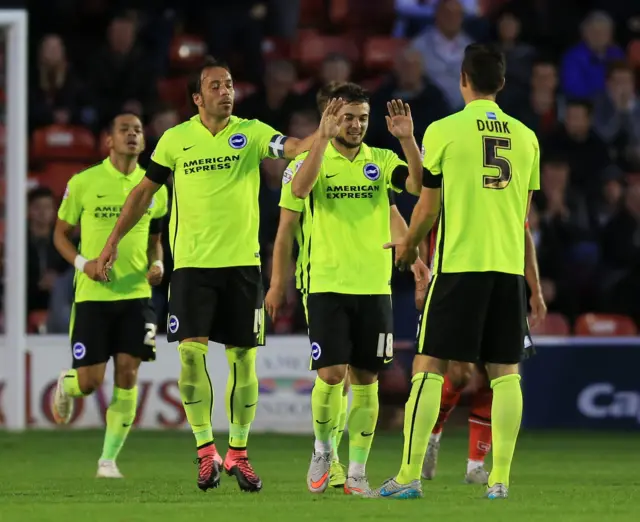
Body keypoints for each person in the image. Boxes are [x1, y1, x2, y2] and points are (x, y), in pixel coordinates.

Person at [95, 56, 317, 493]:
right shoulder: (176, 141)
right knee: (191, 355)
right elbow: (144, 192)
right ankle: (204, 452)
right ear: (198, 97)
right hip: (193, 267)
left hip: (242, 266)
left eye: (230, 84)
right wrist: (112, 241)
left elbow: (290, 147)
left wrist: (320, 135)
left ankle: (238, 452)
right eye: (216, 85)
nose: (225, 91)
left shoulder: (251, 132)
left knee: (243, 358)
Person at [372, 43, 540, 500]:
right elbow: (524, 218)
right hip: (506, 271)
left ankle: (407, 477)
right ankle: (499, 479)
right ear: (501, 83)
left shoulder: (444, 130)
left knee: (428, 366)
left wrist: (407, 248)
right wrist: (534, 284)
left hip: (458, 267)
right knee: (506, 373)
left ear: (463, 79)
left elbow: (428, 206)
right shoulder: (527, 138)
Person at [265, 83, 429, 491]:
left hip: (374, 284)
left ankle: (357, 470)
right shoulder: (307, 161)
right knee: (332, 373)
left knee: (367, 379)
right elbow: (299, 194)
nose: (355, 125)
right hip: (325, 282)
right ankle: (324, 450)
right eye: (347, 117)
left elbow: (415, 185)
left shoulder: (380, 159)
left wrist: (408, 140)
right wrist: (277, 283)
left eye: (362, 118)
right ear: (329, 118)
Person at [50, 113, 169, 478]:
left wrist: (159, 265)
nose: (133, 135)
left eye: (138, 131)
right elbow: (60, 234)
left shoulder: (156, 189)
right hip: (93, 296)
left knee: (129, 373)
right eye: (124, 130)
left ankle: (108, 460)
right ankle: (66, 385)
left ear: (144, 143)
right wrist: (83, 263)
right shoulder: (84, 182)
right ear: (109, 140)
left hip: (135, 294)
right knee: (89, 383)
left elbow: (155, 242)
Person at [421, 222, 547, 484]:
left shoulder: (510, 184)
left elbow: (521, 230)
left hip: (503, 279)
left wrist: (535, 289)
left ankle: (476, 464)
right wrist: (423, 278)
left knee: (499, 374)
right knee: (460, 374)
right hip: (460, 276)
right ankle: (432, 435)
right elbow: (427, 219)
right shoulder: (454, 183)